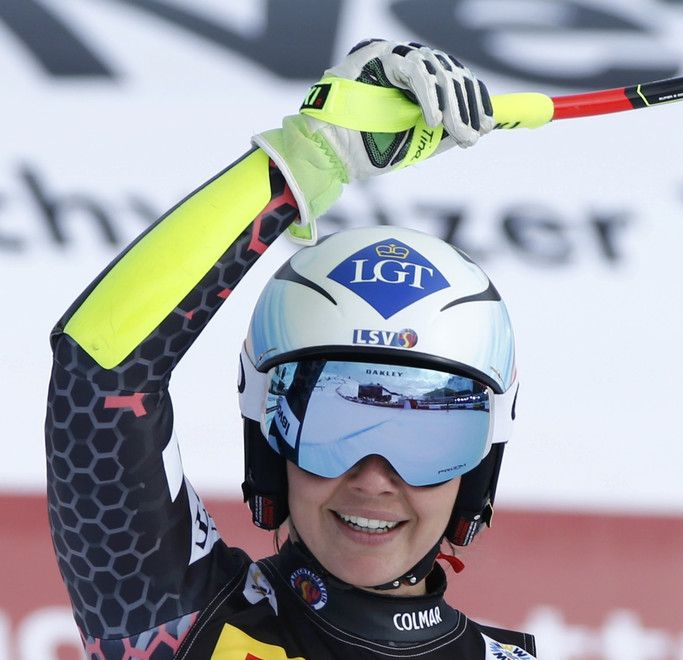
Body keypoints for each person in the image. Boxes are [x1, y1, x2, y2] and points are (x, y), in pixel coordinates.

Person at [44, 39, 535, 659]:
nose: (374, 479)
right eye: (333, 424)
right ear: (270, 445)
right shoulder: (182, 621)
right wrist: (310, 158)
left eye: (427, 439)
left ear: (476, 472)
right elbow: (99, 375)